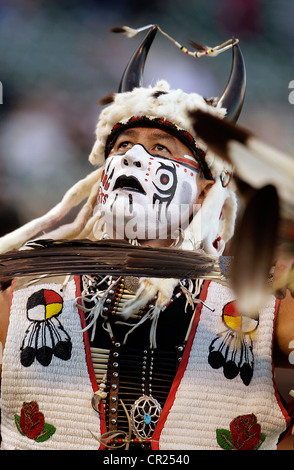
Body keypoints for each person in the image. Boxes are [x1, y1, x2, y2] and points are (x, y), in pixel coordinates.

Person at [0, 25, 293, 451]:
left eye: (161, 149)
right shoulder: (25, 282)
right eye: (122, 145)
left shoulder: (264, 294)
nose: (134, 157)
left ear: (206, 193)